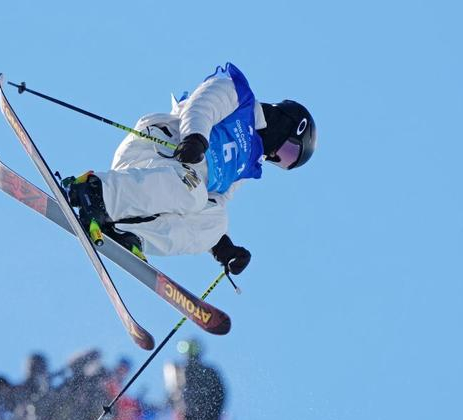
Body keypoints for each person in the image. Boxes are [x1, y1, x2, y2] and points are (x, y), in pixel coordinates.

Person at [67, 62, 317, 273]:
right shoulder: (239, 96)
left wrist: (221, 246)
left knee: (216, 220)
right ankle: (95, 191)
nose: (275, 156)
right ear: (288, 124)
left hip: (173, 184)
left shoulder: (248, 163)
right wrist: (195, 137)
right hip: (159, 147)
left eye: (285, 162)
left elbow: (216, 200)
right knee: (192, 191)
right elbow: (202, 105)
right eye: (288, 151)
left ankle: (127, 232)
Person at [165, 339, 226, 420]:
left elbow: (219, 393)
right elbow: (174, 395)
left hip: (201, 416)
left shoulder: (206, 372)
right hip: (195, 415)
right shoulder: (180, 371)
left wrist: (214, 412)